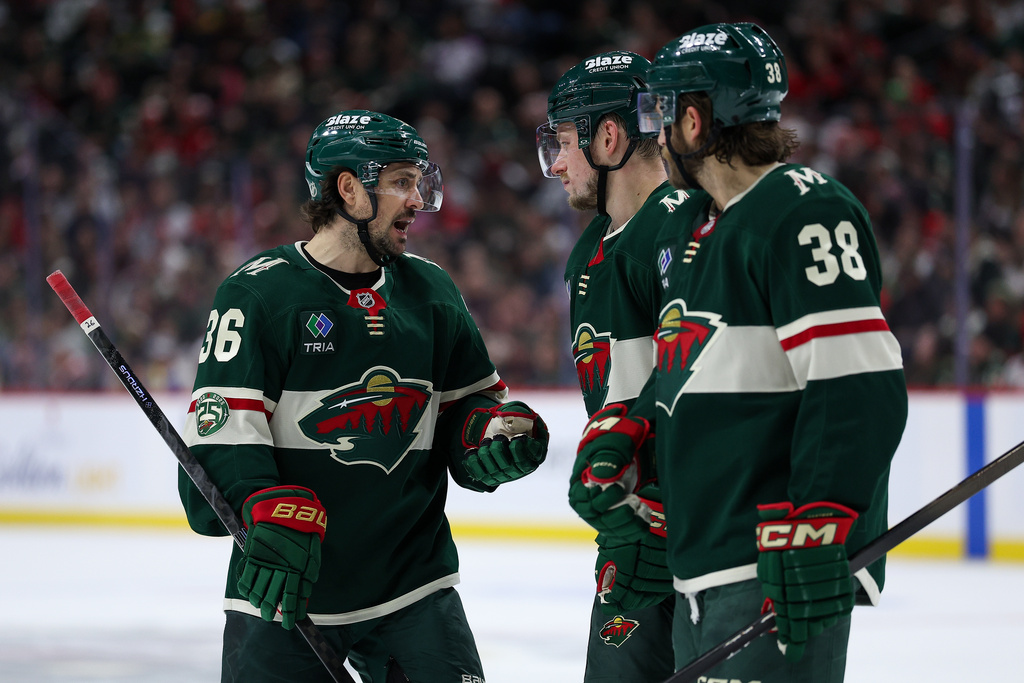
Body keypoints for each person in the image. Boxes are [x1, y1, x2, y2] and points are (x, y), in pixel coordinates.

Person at [570, 23, 908, 681]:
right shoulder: (691, 225)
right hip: (699, 564)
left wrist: (823, 517)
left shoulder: (803, 211)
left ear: (694, 121)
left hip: (773, 563)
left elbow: (857, 382)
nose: (655, 134)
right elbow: (693, 363)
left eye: (662, 114)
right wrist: (633, 428)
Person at [178, 109, 549, 683]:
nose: (418, 200)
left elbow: (468, 411)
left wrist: (487, 437)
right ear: (348, 189)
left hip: (412, 585)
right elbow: (220, 434)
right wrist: (258, 502)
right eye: (402, 182)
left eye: (420, 183)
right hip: (287, 589)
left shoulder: (432, 291)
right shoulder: (259, 294)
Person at [538, 50, 705, 682]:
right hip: (631, 527)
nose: (556, 164)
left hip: (691, 528)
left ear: (608, 137)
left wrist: (662, 514)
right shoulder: (590, 247)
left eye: (562, 143)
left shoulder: (683, 228)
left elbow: (708, 381)